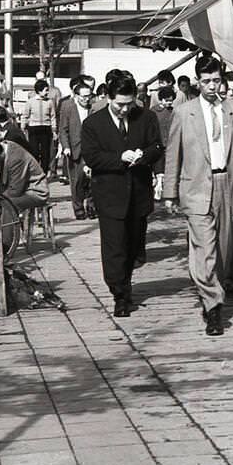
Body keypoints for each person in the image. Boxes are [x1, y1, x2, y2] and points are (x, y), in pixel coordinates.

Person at [163, 56, 233, 336]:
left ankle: (214, 289)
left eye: (216, 81)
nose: (212, 86)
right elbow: (173, 154)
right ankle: (213, 307)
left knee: (224, 250)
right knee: (204, 248)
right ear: (198, 81)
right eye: (206, 81)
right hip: (197, 186)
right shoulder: (183, 112)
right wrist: (169, 192)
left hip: (229, 183)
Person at [80, 69, 164, 316]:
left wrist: (143, 156)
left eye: (130, 104)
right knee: (114, 247)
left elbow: (157, 147)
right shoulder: (93, 124)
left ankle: (125, 280)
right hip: (110, 195)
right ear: (108, 97)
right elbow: (92, 156)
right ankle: (120, 294)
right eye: (120, 105)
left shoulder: (146, 118)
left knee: (135, 247)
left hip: (138, 194)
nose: (125, 110)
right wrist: (119, 157)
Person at [57, 75, 96, 219]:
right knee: (77, 181)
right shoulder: (67, 107)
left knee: (93, 180)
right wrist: (65, 146)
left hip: (92, 149)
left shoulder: (93, 107)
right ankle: (78, 208)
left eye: (89, 96)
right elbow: (63, 129)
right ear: (76, 95)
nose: (87, 99)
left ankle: (92, 207)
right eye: (84, 97)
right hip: (75, 150)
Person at [0, 117, 51, 214]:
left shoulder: (15, 157)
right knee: (0, 201)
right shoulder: (7, 145)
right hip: (24, 189)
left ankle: (9, 228)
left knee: (6, 204)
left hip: (36, 192)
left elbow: (15, 190)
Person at [23, 80, 54, 172]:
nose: (47, 92)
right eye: (46, 90)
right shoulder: (30, 102)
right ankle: (35, 172)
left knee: (45, 152)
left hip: (46, 128)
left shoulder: (50, 102)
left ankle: (44, 172)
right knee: (34, 151)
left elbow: (53, 116)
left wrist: (54, 130)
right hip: (33, 128)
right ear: (39, 91)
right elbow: (25, 115)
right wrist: (23, 127)